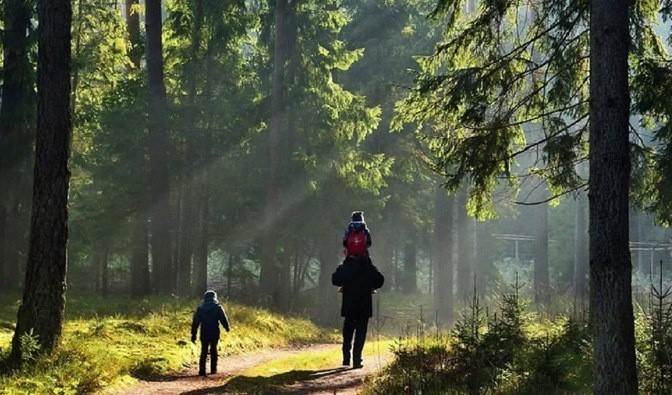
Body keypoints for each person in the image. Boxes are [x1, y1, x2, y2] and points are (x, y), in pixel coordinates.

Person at [332, 255, 384, 369]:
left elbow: (335, 280)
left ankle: (346, 358)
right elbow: (380, 280)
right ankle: (356, 360)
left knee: (347, 332)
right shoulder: (368, 267)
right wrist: (370, 285)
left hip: (349, 305)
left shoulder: (345, 266)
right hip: (364, 305)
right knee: (360, 333)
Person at [191, 290, 231, 376]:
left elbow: (195, 322)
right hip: (214, 331)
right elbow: (223, 318)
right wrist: (227, 327)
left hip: (204, 332)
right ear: (214, 297)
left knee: (204, 350)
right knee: (213, 349)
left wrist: (193, 334)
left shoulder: (200, 308)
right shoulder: (218, 307)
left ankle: (202, 370)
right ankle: (213, 369)